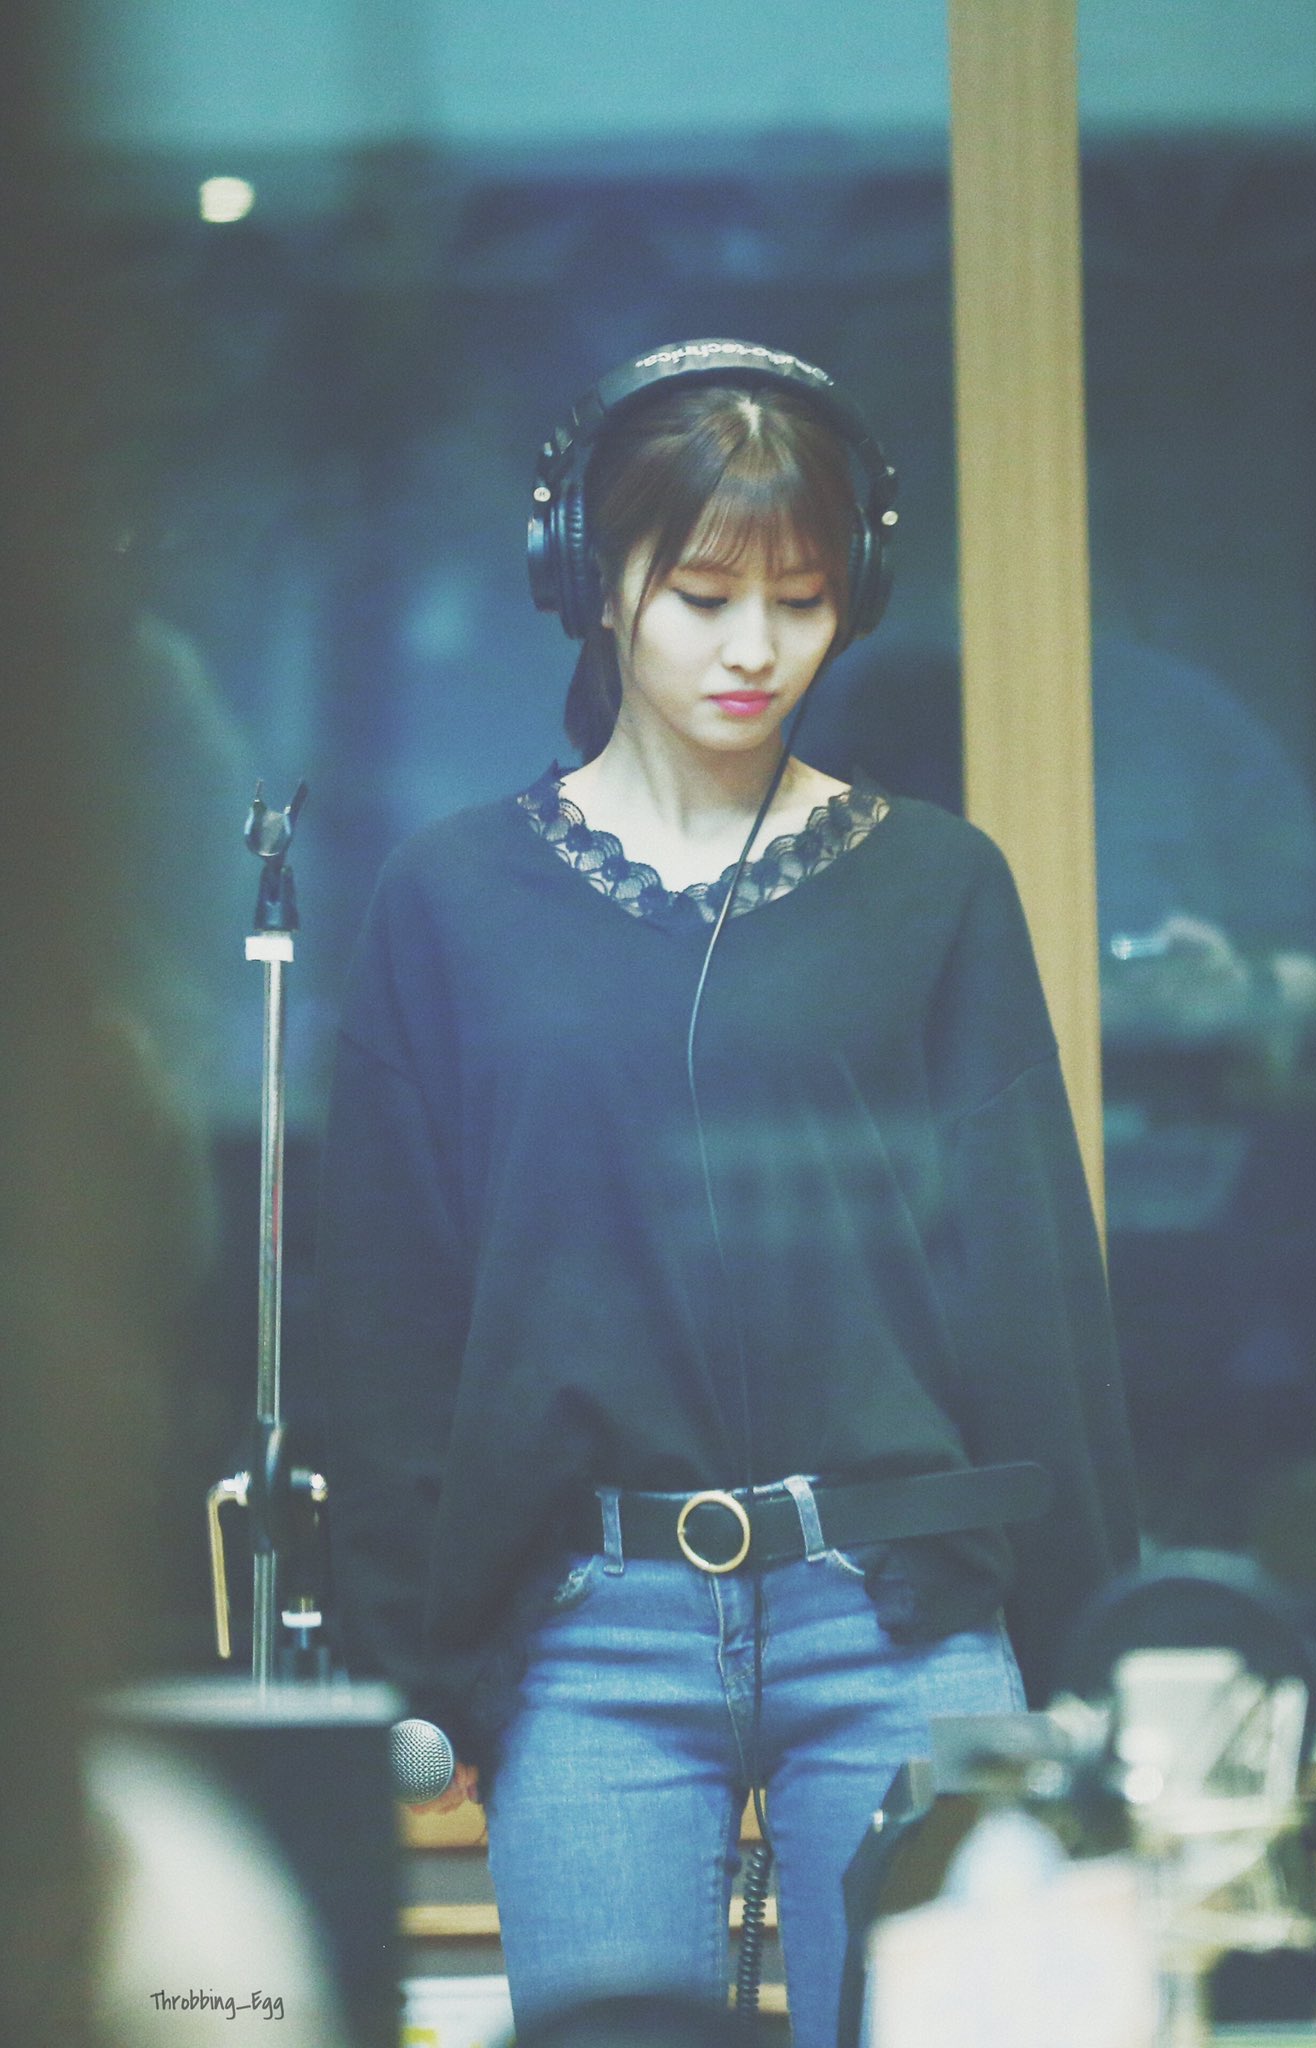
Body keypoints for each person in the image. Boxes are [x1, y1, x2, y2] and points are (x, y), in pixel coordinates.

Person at [315, 341, 1137, 2048]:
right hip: (588, 1639)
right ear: (586, 579)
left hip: (901, 1620)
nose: (753, 648)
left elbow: (1031, 1295)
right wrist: (412, 1662)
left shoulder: (938, 885)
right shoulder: (446, 899)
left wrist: (1088, 1662)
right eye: (700, 595)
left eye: (801, 599)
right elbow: (390, 1312)